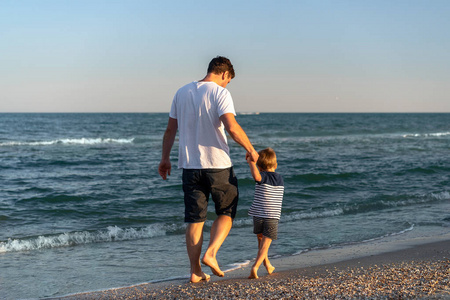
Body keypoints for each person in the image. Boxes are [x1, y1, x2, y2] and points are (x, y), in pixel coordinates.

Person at [158, 56, 259, 283]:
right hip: (218, 165)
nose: (227, 84)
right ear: (224, 74)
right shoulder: (220, 93)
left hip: (190, 166)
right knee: (227, 211)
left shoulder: (181, 92)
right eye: (228, 80)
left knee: (195, 221)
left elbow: (170, 131)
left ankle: (195, 272)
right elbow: (232, 127)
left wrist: (165, 159)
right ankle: (211, 253)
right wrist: (251, 149)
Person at [246, 147, 284, 279]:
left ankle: (267, 264)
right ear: (275, 165)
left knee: (261, 240)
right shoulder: (279, 178)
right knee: (265, 244)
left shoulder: (261, 176)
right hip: (272, 217)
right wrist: (253, 163)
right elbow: (258, 176)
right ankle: (255, 267)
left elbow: (257, 176)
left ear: (259, 167)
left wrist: (251, 163)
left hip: (257, 214)